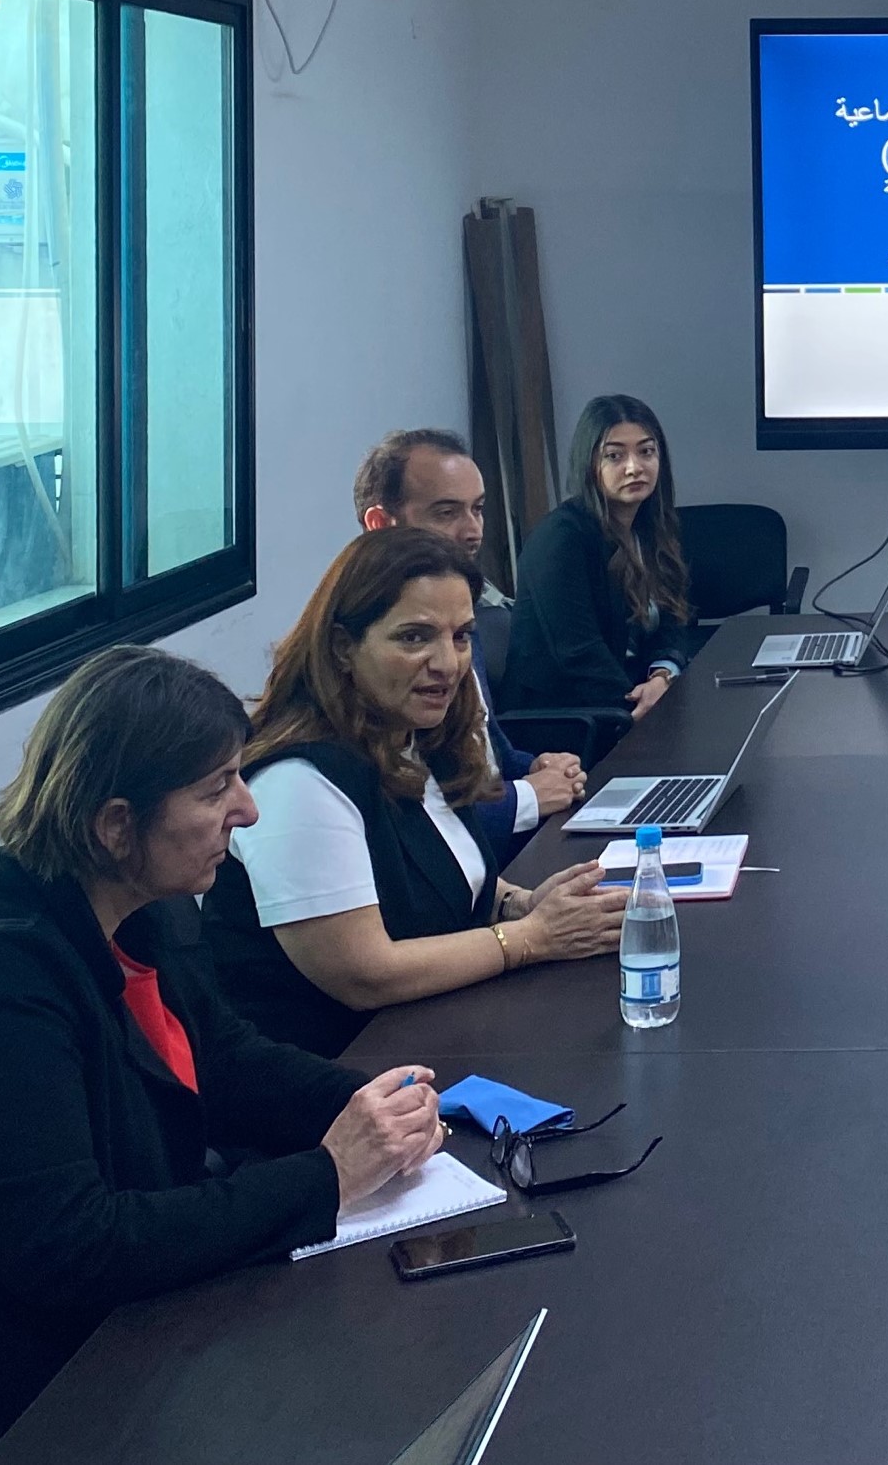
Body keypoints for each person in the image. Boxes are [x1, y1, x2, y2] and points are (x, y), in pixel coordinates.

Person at [0, 647, 449, 1465]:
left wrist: (387, 1109)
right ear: (116, 825)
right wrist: (328, 1175)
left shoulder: (137, 908)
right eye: (216, 789)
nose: (248, 811)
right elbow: (74, 1250)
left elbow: (228, 1064)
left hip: (107, 1335)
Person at [204, 529, 629, 1056]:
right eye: (414, 637)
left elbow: (442, 881)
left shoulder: (418, 740)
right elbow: (364, 975)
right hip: (341, 1084)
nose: (448, 663)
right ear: (342, 647)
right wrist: (533, 939)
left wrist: (523, 905)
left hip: (437, 1038)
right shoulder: (297, 782)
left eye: (461, 636)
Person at [353, 428, 587, 856]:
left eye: (477, 510)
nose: (473, 531)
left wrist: (535, 766)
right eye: (446, 513)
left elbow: (486, 748)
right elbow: (415, 826)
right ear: (380, 524)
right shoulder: (367, 650)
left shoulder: (458, 617)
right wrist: (530, 797)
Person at [502, 394, 694, 719]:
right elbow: (578, 655)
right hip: (566, 722)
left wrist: (662, 677)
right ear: (589, 464)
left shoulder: (652, 529)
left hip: (626, 702)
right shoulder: (561, 538)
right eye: (614, 456)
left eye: (646, 451)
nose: (634, 467)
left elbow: (673, 619)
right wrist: (639, 706)